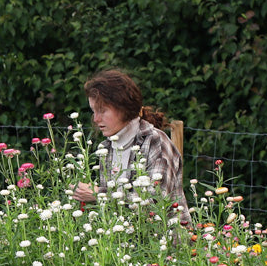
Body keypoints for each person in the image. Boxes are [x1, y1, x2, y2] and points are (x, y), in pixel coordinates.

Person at [70, 69, 186, 210]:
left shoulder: (155, 141)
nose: (96, 119)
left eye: (102, 110)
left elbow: (155, 201)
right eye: (93, 111)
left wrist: (98, 194)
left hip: (163, 231)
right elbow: (111, 211)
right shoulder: (106, 147)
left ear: (123, 107)